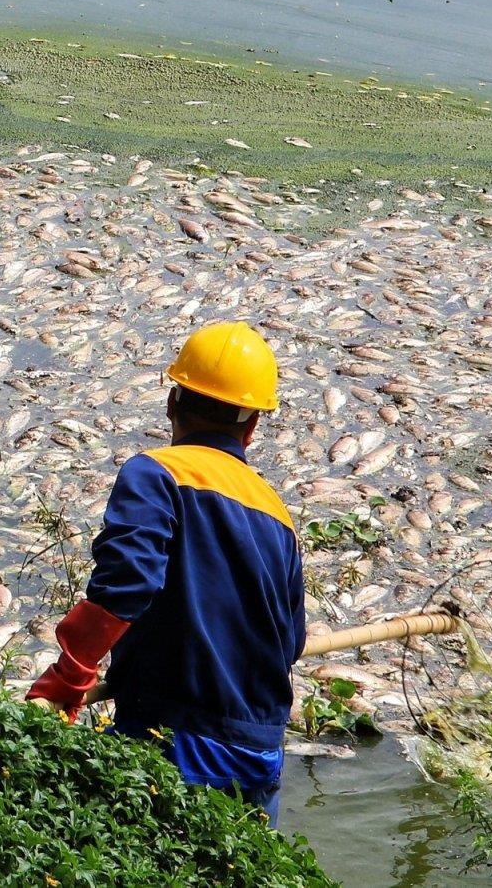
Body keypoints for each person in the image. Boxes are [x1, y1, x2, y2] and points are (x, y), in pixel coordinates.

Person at [26, 320, 306, 824]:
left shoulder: (154, 473)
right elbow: (290, 644)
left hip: (178, 740)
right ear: (252, 427)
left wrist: (69, 679)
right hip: (260, 751)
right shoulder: (278, 516)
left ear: (173, 403)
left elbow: (127, 585)